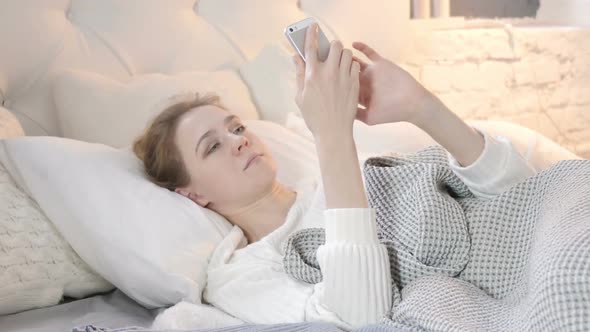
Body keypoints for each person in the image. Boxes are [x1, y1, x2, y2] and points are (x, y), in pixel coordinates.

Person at [133, 23, 535, 330]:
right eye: (212, 146)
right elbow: (359, 319)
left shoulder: (350, 177)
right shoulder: (240, 276)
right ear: (192, 195)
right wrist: (332, 136)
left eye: (236, 128)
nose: (237, 141)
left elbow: (523, 197)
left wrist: (423, 108)